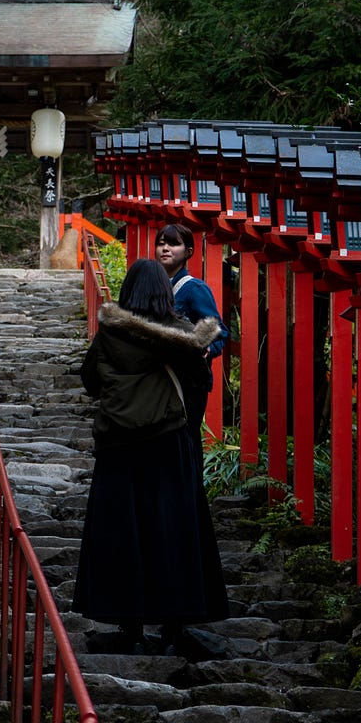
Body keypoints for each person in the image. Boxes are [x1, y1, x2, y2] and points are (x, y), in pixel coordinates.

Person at [72, 259, 231, 654]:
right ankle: (176, 626)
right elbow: (199, 381)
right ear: (164, 291)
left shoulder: (109, 334)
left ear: (128, 292)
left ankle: (128, 628)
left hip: (118, 446)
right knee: (174, 531)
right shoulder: (181, 336)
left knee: (122, 532)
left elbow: (91, 380)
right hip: (168, 442)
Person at [154, 223, 229, 453]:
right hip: (160, 379)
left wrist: (206, 349)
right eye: (161, 243)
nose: (165, 248)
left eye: (173, 243)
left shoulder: (194, 288)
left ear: (188, 252)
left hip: (188, 382)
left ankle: (192, 489)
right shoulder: (155, 286)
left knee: (186, 442)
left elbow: (218, 331)